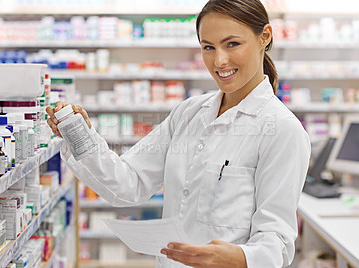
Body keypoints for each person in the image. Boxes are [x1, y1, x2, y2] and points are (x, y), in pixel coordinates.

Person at [46, 0, 311, 267]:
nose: (219, 61)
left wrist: (239, 258)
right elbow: (129, 182)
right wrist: (80, 137)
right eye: (208, 47)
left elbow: (278, 242)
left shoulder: (282, 130)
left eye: (232, 44)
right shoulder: (189, 113)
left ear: (264, 36)